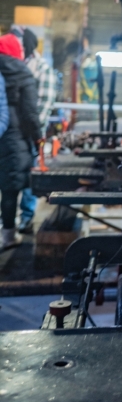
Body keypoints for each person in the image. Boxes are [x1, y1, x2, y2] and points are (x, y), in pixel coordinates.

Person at [0, 33, 41, 248]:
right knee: (10, 189)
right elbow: (30, 113)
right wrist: (38, 137)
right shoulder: (22, 72)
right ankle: (8, 235)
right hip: (15, 137)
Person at [15, 27, 56, 233]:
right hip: (14, 132)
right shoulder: (16, 64)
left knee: (29, 175)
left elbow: (44, 106)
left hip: (30, 132)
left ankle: (27, 217)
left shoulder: (41, 68)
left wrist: (33, 132)